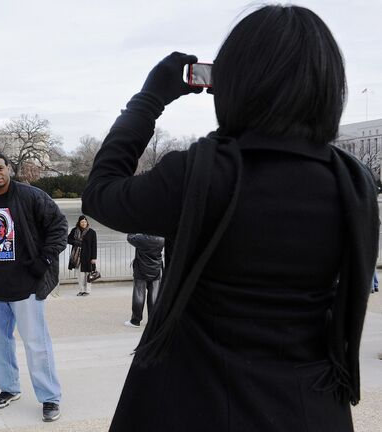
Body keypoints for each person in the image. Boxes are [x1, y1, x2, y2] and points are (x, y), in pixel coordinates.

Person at [82, 5, 378, 431]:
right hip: (308, 405)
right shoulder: (353, 184)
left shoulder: (199, 174)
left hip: (190, 400)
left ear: (235, 82)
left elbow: (100, 193)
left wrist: (148, 100)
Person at [0, 152, 68, 422]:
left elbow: (59, 226)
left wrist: (45, 259)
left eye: (0, 168)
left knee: (37, 344)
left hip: (26, 282)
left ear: (9, 169)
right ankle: (9, 387)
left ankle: (50, 397)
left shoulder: (31, 196)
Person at [124, 234, 165, 328]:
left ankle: (135, 321)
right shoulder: (161, 239)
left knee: (139, 296)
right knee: (154, 297)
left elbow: (129, 237)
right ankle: (153, 321)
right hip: (156, 269)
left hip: (141, 270)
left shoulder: (141, 238)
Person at [67, 215, 97, 296]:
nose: (83, 223)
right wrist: (75, 242)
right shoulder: (74, 230)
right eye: (82, 222)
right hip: (77, 257)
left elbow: (94, 246)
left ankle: (87, 291)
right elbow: (68, 239)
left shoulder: (92, 232)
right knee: (80, 275)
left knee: (88, 274)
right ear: (79, 223)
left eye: (85, 222)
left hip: (88, 256)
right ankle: (81, 290)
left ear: (87, 222)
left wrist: (94, 258)